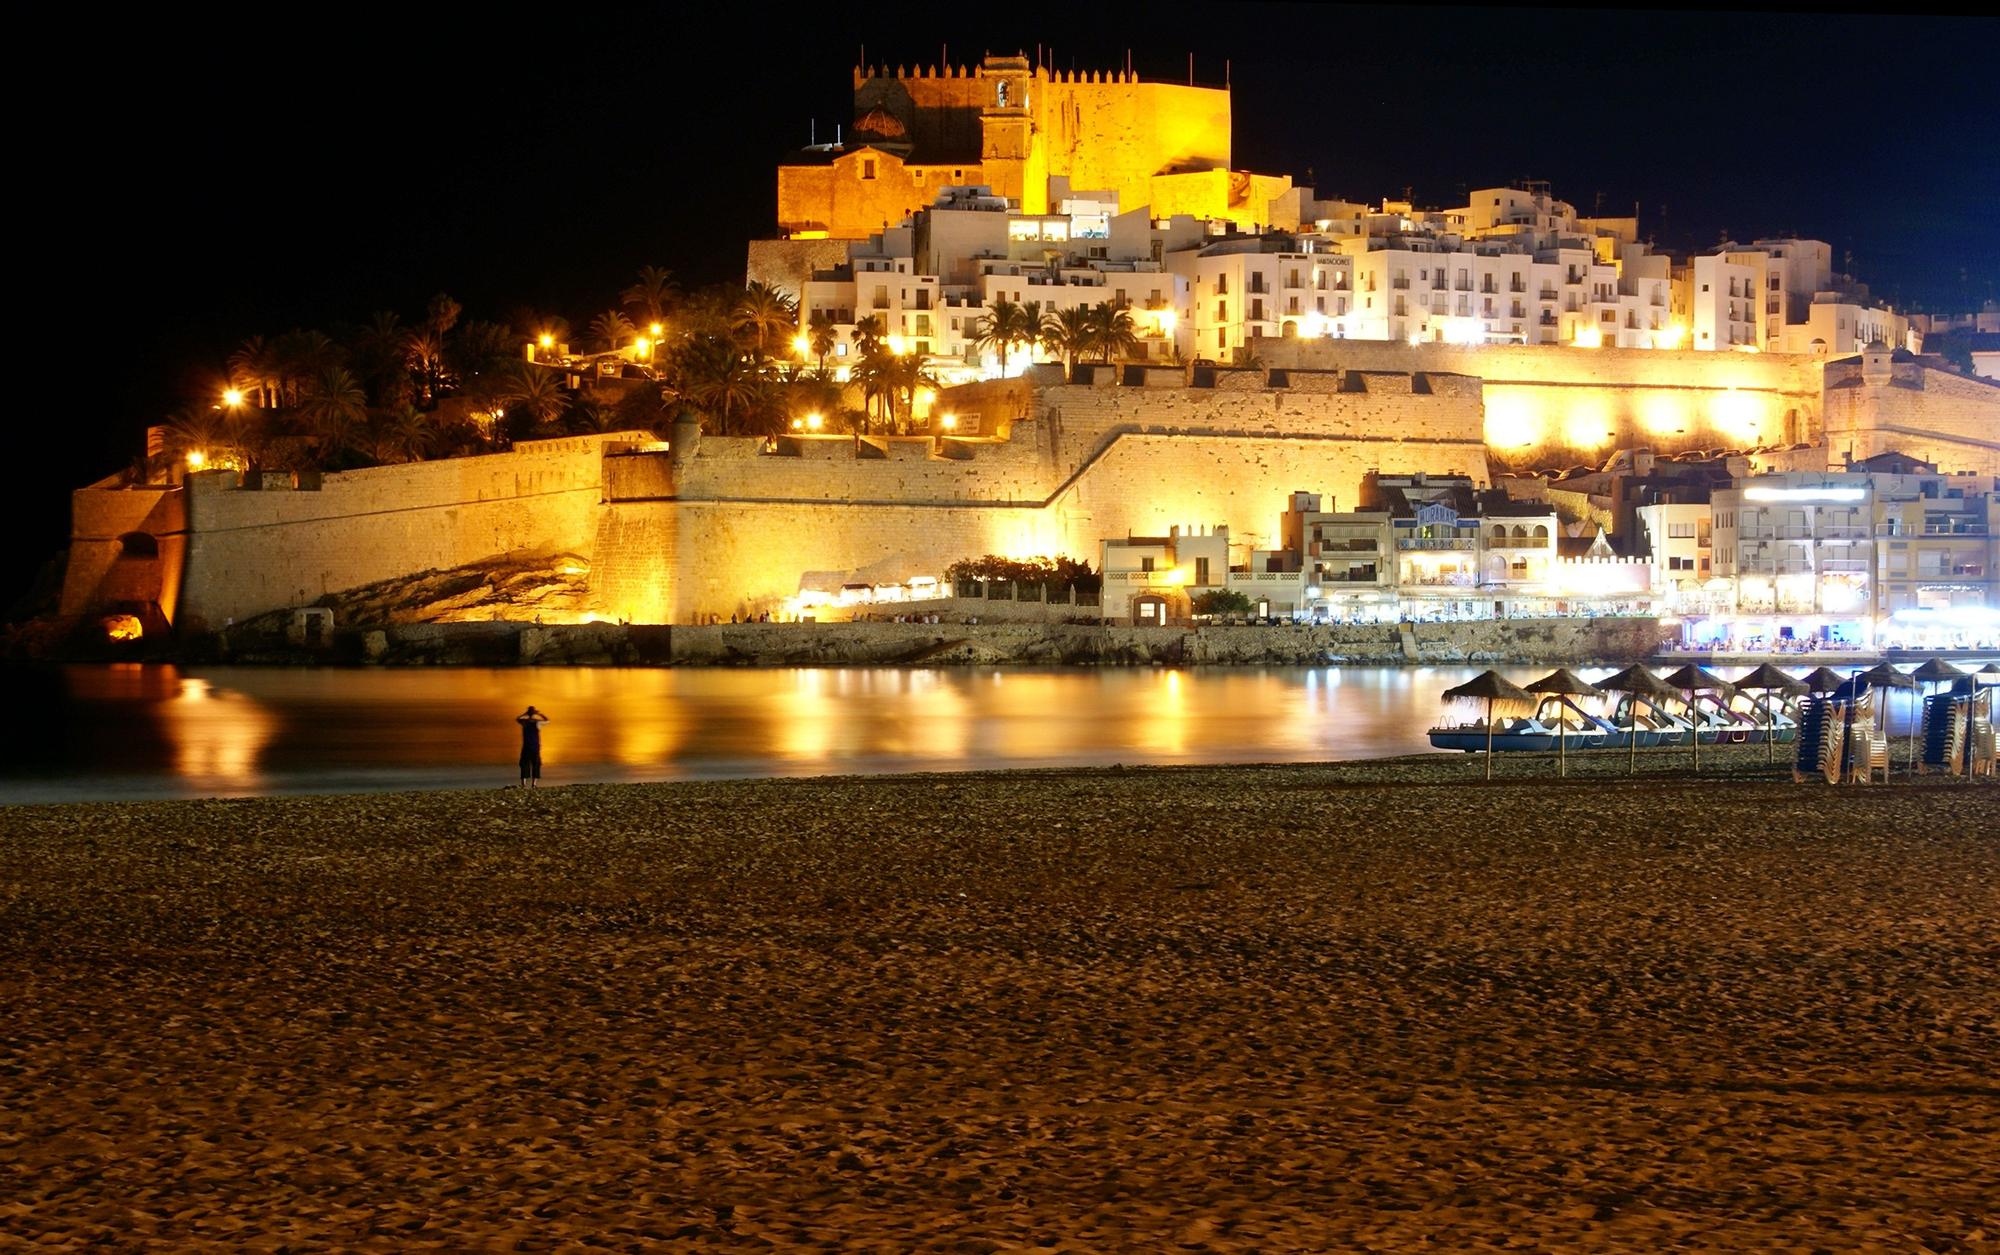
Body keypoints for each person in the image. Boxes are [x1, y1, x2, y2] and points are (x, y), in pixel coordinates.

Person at [516, 705, 549, 787]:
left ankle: (524, 784)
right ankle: (534, 784)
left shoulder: (525, 722)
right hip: (535, 747)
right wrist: (539, 714)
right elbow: (547, 720)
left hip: (527, 746)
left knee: (524, 764)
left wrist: (525, 714)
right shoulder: (537, 722)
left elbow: (518, 719)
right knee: (536, 764)